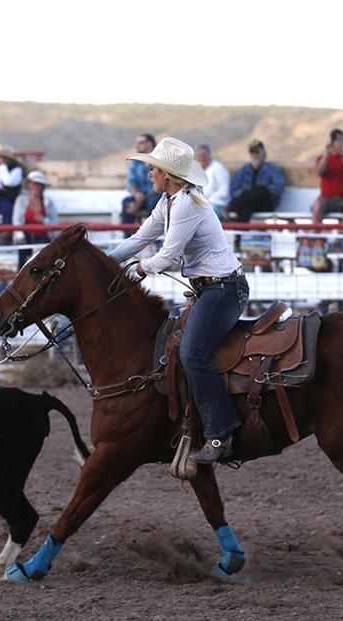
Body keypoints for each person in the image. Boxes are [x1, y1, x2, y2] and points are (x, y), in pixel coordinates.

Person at [108, 137, 247, 464]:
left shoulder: (185, 204)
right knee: (178, 350)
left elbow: (168, 255)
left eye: (153, 168)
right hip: (211, 288)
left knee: (192, 354)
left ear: (167, 174)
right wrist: (105, 261)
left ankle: (220, 433)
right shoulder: (169, 201)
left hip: (223, 289)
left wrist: (139, 269)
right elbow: (141, 238)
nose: (149, 173)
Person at [228, 139, 285, 222]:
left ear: (264, 154)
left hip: (264, 204)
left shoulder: (273, 169)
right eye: (252, 152)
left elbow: (278, 188)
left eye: (257, 152)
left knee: (261, 190)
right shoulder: (242, 171)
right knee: (247, 203)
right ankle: (242, 232)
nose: (254, 155)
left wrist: (254, 193)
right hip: (247, 204)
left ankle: (235, 212)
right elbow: (234, 191)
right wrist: (249, 194)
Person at [312, 129, 343, 224]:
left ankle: (339, 236)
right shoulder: (322, 158)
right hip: (326, 198)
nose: (341, 142)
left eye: (342, 140)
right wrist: (326, 155)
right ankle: (316, 236)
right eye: (338, 140)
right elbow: (320, 173)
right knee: (317, 207)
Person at [120, 133, 161, 226]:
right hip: (141, 195)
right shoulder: (135, 161)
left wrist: (141, 199)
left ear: (150, 143)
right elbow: (131, 181)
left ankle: (154, 236)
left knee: (154, 204)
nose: (137, 145)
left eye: (141, 142)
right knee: (126, 202)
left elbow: (161, 182)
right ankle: (128, 236)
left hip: (157, 193)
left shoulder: (159, 160)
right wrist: (136, 194)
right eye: (137, 142)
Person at [12, 170, 59, 245]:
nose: (36, 187)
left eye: (39, 184)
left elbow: (55, 223)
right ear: (28, 185)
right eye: (34, 184)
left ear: (42, 187)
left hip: (43, 238)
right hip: (25, 238)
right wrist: (20, 236)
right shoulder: (21, 200)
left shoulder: (48, 202)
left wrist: (43, 220)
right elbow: (17, 220)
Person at [196, 143, 230, 218]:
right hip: (201, 204)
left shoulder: (218, 169)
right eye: (199, 156)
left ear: (209, 156)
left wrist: (207, 201)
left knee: (209, 212)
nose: (202, 158)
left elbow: (224, 191)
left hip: (218, 204)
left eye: (204, 155)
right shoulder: (196, 171)